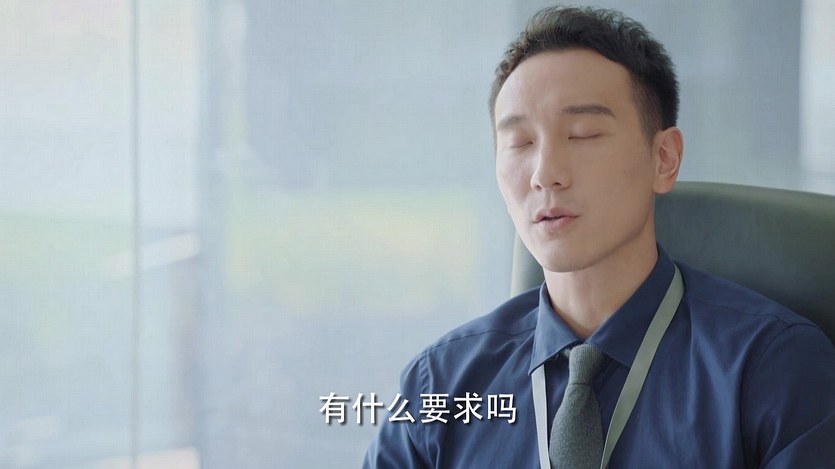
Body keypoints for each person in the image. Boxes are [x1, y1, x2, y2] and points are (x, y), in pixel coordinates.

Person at [362, 6, 835, 468]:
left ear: (664, 159)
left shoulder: (775, 367)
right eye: (520, 143)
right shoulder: (440, 385)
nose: (545, 174)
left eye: (583, 134)